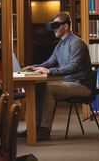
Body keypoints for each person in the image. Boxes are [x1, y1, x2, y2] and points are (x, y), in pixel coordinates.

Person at [19, 11, 93, 141]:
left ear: (66, 26)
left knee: (48, 89)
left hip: (81, 85)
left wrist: (49, 71)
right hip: (69, 83)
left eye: (56, 26)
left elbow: (73, 67)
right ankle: (34, 127)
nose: (54, 29)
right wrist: (35, 67)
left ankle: (44, 130)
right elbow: (50, 62)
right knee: (38, 87)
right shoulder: (60, 45)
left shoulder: (77, 43)